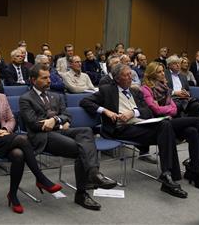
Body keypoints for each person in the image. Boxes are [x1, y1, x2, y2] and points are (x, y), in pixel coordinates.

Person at [80, 63, 188, 199]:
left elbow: (147, 111)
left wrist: (133, 112)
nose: (131, 77)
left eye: (131, 74)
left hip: (139, 125)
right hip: (120, 128)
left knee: (166, 125)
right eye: (127, 75)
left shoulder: (135, 91)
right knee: (167, 131)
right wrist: (105, 111)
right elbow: (85, 102)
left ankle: (167, 174)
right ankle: (170, 175)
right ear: (117, 78)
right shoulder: (107, 90)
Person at [20, 64, 117, 211]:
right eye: (44, 78)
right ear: (33, 80)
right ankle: (82, 192)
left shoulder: (56, 96)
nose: (49, 80)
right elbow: (34, 124)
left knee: (85, 131)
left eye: (49, 77)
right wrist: (59, 123)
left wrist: (55, 120)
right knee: (81, 150)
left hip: (58, 131)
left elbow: (67, 115)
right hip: (42, 137)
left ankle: (93, 173)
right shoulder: (25, 98)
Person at [0, 66, 62, 214]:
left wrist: (4, 130)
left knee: (19, 155)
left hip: (5, 136)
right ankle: (41, 178)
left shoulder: (2, 97)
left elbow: (11, 119)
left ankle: (13, 194)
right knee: (22, 139)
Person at [141, 62, 199, 189]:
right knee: (196, 121)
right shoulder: (146, 89)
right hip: (158, 124)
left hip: (170, 121)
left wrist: (167, 108)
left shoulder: (165, 87)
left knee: (192, 131)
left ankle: (195, 172)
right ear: (151, 74)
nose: (163, 73)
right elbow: (156, 110)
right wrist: (168, 109)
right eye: (159, 71)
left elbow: (174, 108)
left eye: (163, 71)